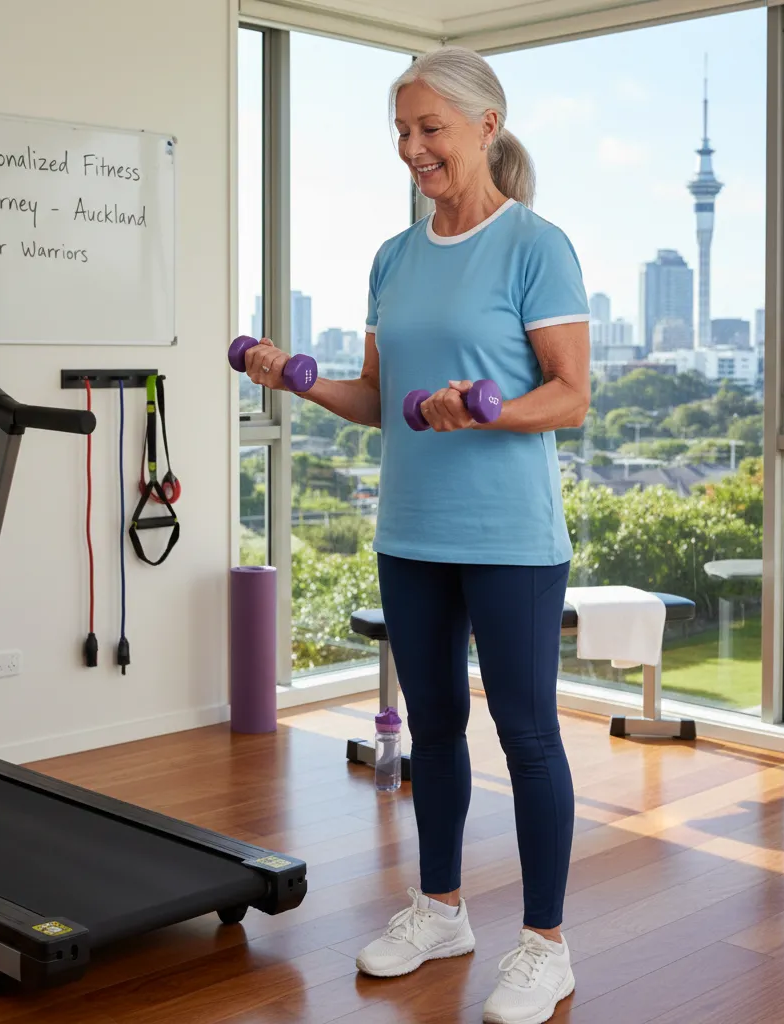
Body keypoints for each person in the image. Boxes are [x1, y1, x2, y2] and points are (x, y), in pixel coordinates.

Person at [242, 45, 590, 1024]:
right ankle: (441, 910)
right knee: (432, 729)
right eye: (401, 131)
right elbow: (380, 399)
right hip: (411, 529)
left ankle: (546, 946)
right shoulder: (393, 258)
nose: (412, 148)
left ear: (486, 125)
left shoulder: (535, 246)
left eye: (430, 128)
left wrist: (483, 409)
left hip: (510, 536)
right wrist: (298, 379)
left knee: (526, 735)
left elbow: (571, 394)